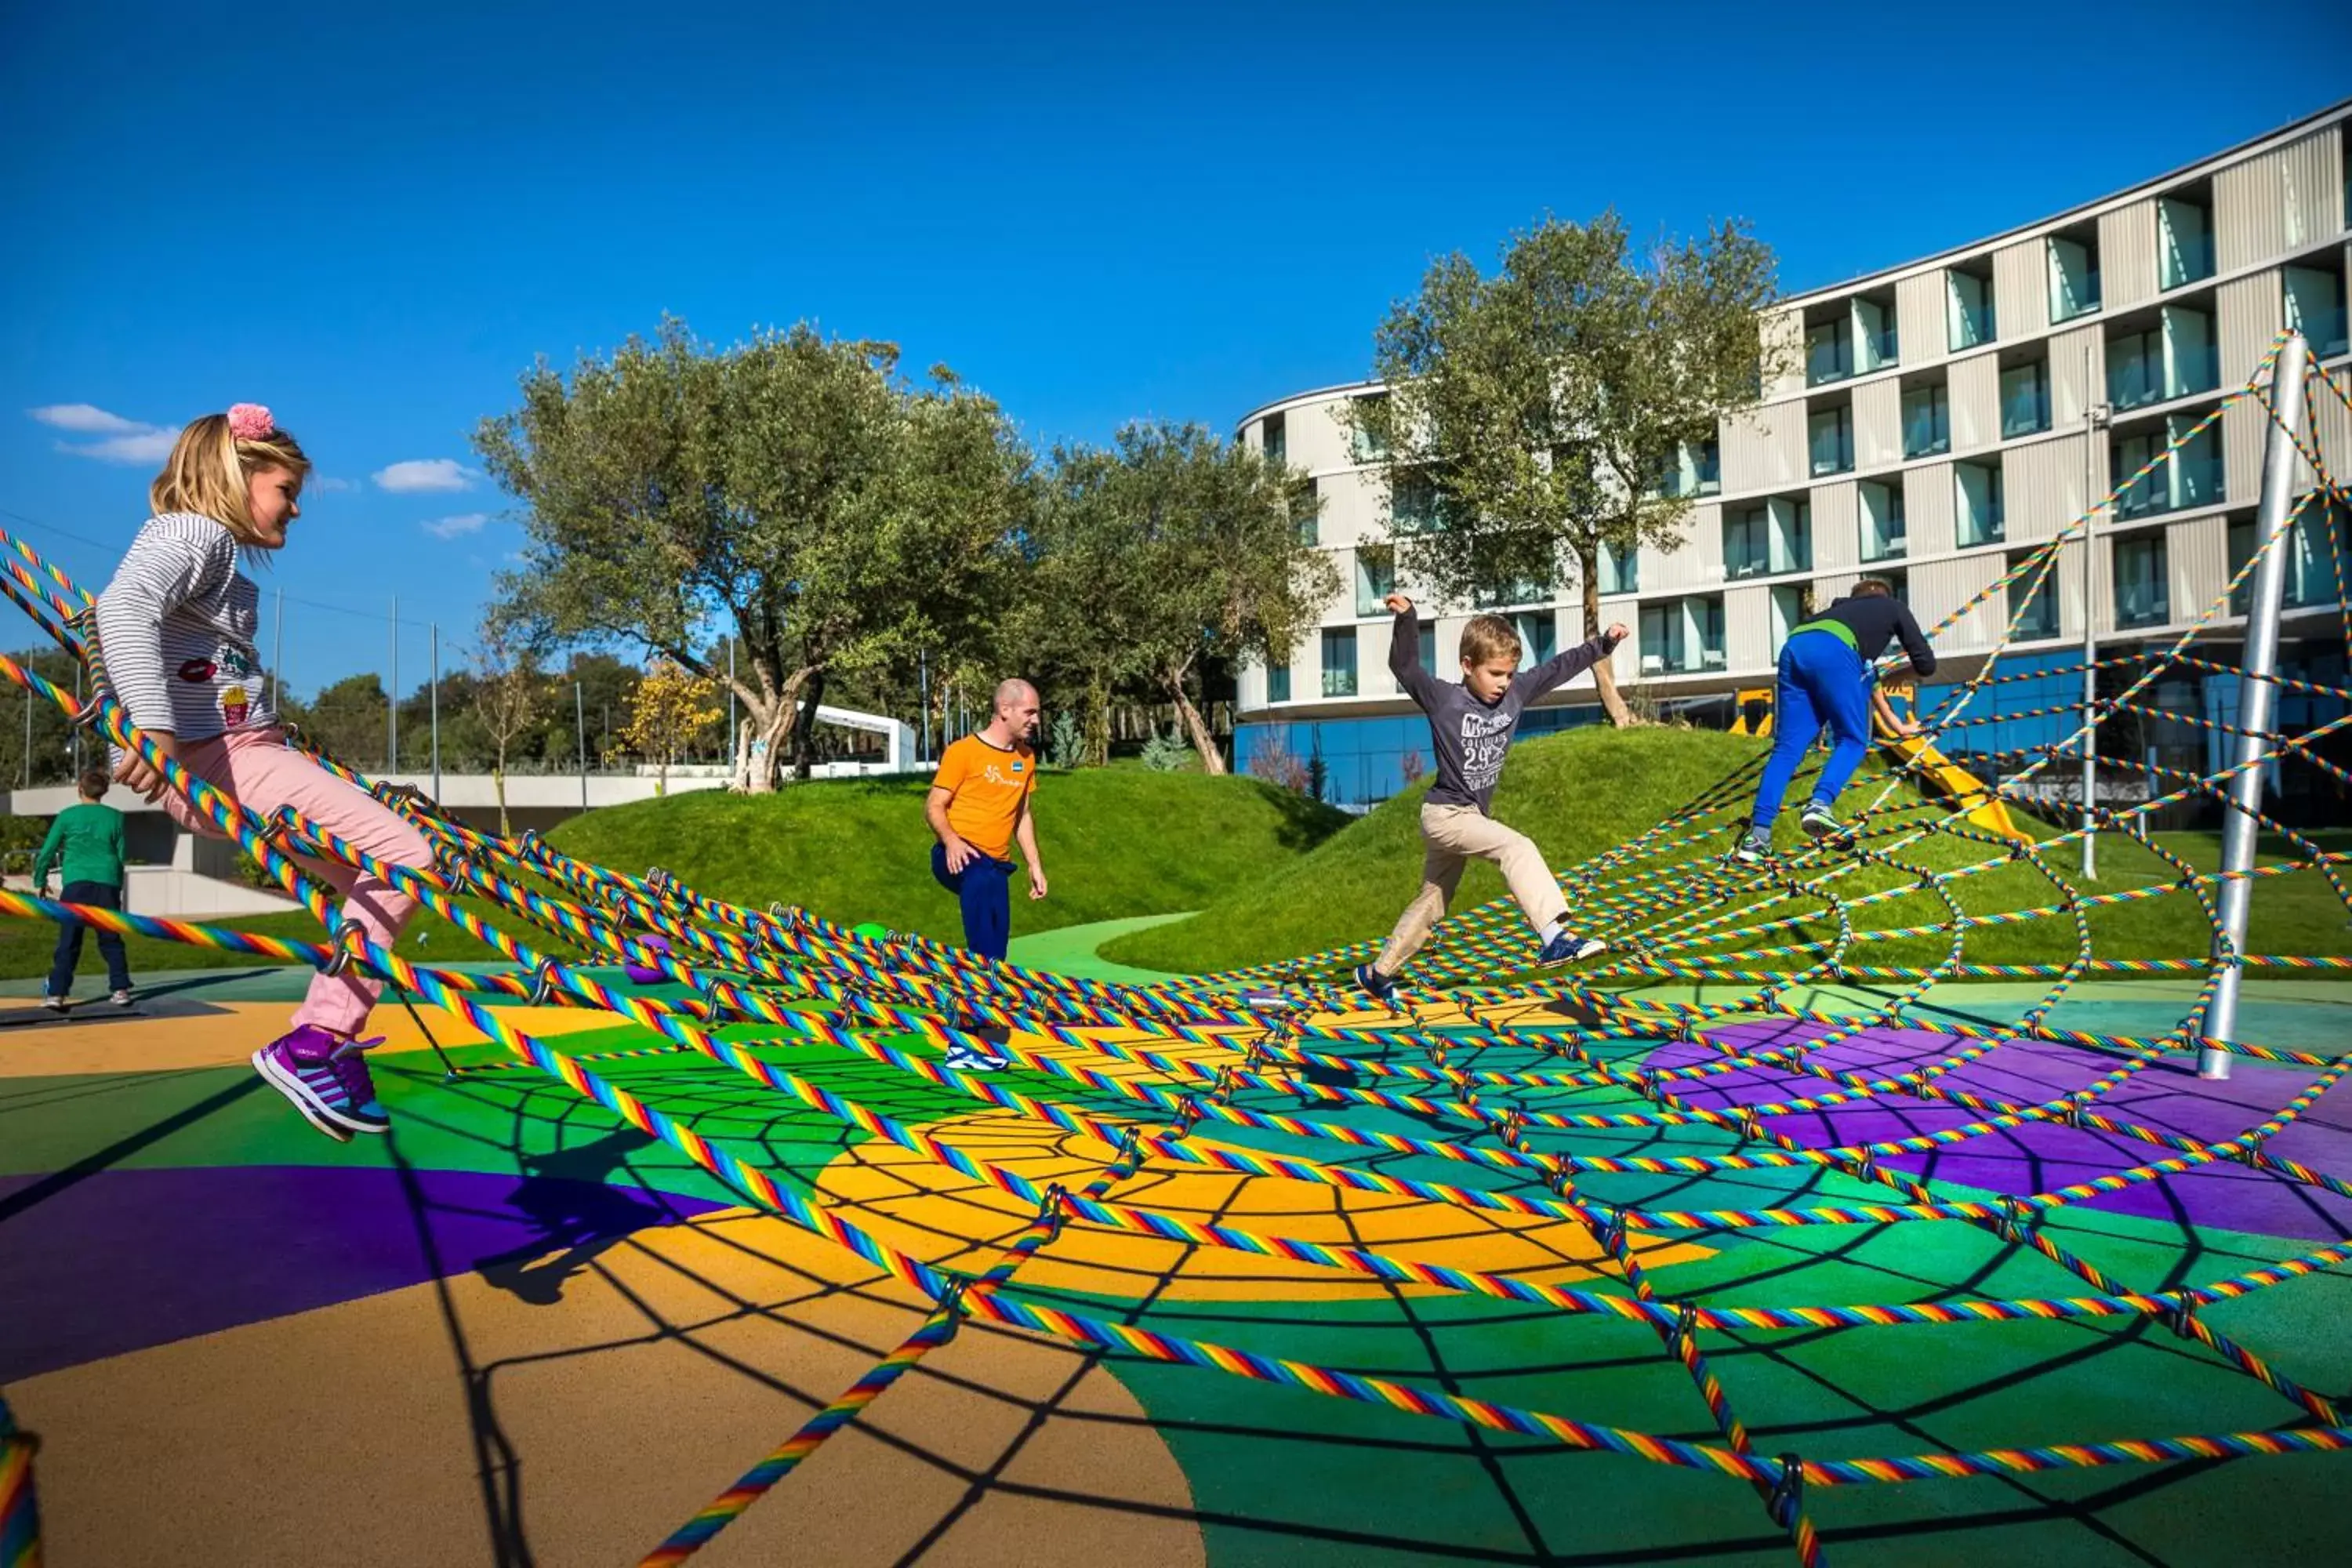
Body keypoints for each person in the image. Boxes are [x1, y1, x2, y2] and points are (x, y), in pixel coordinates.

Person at [93, 404, 434, 1142]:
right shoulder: (198, 532)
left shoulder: (209, 548)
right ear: (236, 477)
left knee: (369, 887)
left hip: (245, 755)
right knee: (408, 855)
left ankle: (329, 1042)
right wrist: (154, 727)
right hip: (230, 760)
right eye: (286, 488)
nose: (296, 507)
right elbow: (121, 610)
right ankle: (316, 1040)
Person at [1356, 594, 1626, 1003]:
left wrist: (1602, 645)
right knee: (1516, 846)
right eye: (1495, 673)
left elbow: (1557, 669)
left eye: (1509, 673)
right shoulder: (1444, 699)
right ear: (1468, 666)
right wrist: (1408, 618)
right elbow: (1405, 668)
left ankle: (1378, 973)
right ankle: (1553, 934)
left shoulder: (1515, 693)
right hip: (1446, 815)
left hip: (1467, 816)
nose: (1503, 682)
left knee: (1434, 900)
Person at [1734, 576, 1936, 862]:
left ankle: (1758, 837)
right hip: (1835, 650)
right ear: (1882, 597)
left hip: (1795, 646)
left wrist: (1898, 725)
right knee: (1853, 740)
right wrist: (1895, 677)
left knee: (1787, 749)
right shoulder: (1892, 607)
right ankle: (1820, 804)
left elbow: (1869, 681)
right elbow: (1926, 665)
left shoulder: (1837, 614)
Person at [926, 678, 1048, 1069]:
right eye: (1030, 711)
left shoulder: (1025, 759)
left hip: (995, 866)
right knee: (984, 947)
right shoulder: (963, 752)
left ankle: (979, 1029)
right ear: (1005, 711)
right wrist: (952, 841)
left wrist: (1034, 864)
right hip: (957, 856)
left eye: (1037, 712)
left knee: (997, 947)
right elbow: (934, 805)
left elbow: (1022, 816)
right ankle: (963, 1044)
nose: (1035, 719)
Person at [35, 768, 135, 1009]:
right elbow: (121, 855)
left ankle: (57, 994)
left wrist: (40, 881)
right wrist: (117, 887)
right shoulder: (115, 817)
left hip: (76, 886)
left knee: (69, 940)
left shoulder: (67, 816)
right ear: (104, 791)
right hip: (107, 883)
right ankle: (121, 990)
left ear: (80, 789)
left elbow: (47, 851)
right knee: (111, 938)